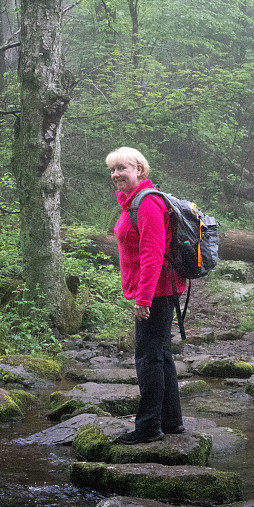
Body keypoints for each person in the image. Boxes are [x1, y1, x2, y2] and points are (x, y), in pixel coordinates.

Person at [105, 146, 186, 444]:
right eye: (113, 170)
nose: (116, 174)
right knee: (161, 356)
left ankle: (149, 427)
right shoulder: (133, 202)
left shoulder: (148, 203)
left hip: (157, 292)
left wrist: (143, 299)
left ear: (140, 170)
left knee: (148, 359)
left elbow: (153, 254)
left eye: (122, 168)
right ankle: (172, 421)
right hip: (159, 290)